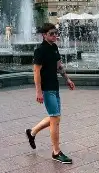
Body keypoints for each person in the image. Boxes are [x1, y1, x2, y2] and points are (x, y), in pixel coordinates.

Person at [25, 23, 75, 165]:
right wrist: (39, 91)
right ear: (44, 35)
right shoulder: (40, 51)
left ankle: (32, 132)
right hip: (46, 89)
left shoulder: (54, 47)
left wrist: (67, 79)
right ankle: (56, 152)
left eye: (55, 33)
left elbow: (59, 66)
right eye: (51, 34)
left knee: (55, 117)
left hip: (55, 86)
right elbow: (36, 72)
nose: (55, 36)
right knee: (55, 119)